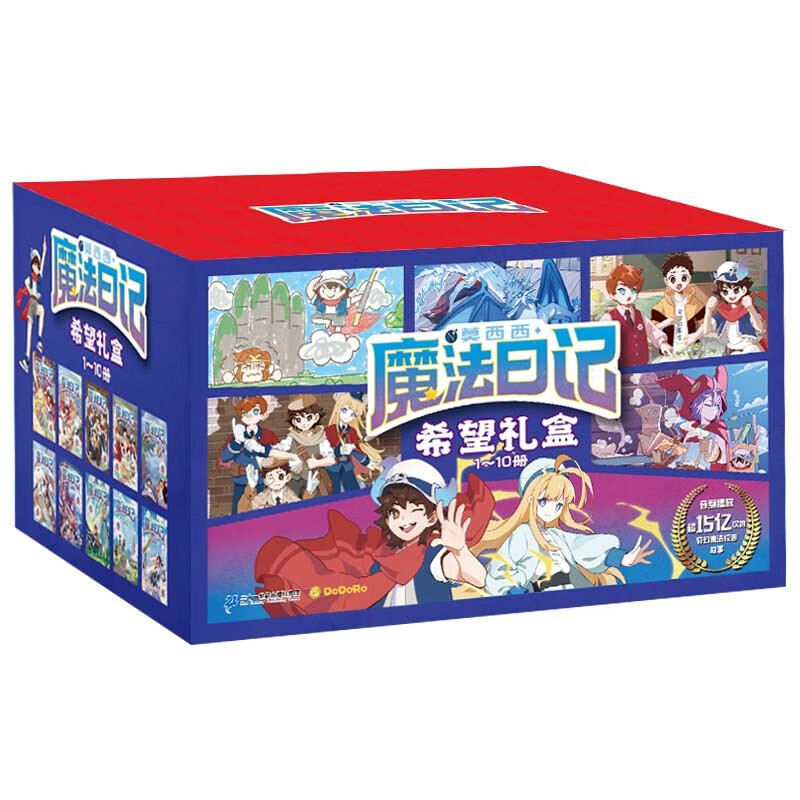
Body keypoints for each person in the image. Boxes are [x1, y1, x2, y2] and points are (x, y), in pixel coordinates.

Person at [254, 459, 495, 615]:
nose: (404, 519)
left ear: (432, 517)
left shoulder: (433, 553)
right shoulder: (384, 555)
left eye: (414, 510)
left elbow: (479, 578)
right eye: (395, 512)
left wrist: (460, 550)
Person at [475, 455, 654, 595]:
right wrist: (516, 594)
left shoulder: (556, 535)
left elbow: (583, 546)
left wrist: (621, 558)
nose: (551, 511)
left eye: (558, 505)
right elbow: (500, 569)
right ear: (530, 499)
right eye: (544, 501)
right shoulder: (523, 533)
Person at [600, 263, 673, 366]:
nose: (628, 294)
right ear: (612, 294)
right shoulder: (609, 318)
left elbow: (652, 330)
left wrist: (662, 343)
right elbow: (602, 342)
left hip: (643, 364)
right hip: (622, 367)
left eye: (633, 290)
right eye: (622, 291)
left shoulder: (640, 315)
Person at [650, 252, 708, 351]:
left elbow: (706, 324)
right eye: (673, 279)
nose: (678, 282)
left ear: (690, 277)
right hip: (670, 351)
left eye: (683, 278)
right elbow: (651, 330)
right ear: (666, 280)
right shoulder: (660, 307)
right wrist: (667, 322)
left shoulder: (696, 303)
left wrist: (695, 336)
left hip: (692, 350)